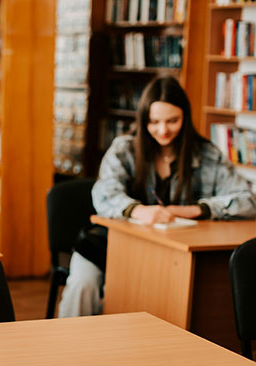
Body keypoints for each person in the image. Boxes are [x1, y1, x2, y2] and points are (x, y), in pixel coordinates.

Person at [58, 75, 256, 318]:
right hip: (108, 245)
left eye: (172, 120)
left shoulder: (206, 154)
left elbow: (248, 201)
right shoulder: (125, 148)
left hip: (171, 255)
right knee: (83, 286)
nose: (163, 130)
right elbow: (103, 193)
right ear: (143, 120)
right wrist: (139, 210)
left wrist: (197, 209)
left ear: (185, 116)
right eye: (154, 122)